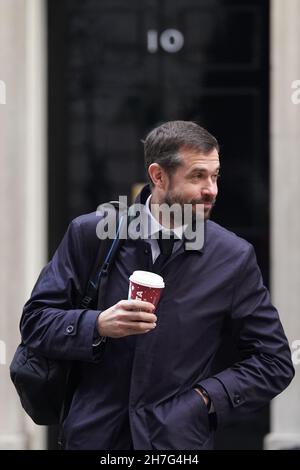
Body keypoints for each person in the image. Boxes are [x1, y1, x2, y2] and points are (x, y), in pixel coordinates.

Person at [21, 120, 294, 450]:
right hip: (93, 439)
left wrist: (203, 400)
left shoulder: (233, 257)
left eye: (215, 175)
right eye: (197, 176)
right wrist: (97, 325)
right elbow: (35, 323)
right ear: (158, 176)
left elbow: (274, 360)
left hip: (177, 446)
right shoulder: (91, 234)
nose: (212, 189)